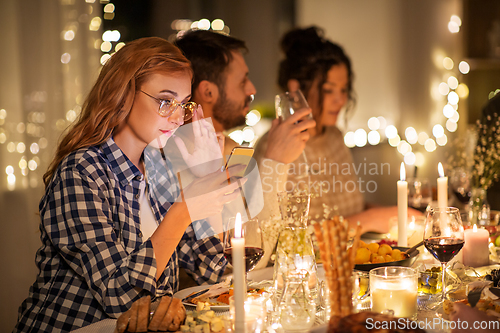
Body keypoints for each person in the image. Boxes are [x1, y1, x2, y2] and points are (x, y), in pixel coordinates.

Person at [14, 37, 243, 332]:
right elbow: (121, 296)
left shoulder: (161, 170)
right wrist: (183, 210)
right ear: (123, 95)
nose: (176, 117)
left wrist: (204, 179)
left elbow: (212, 269)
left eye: (183, 104)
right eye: (165, 101)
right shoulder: (82, 171)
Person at [254, 26, 420, 235]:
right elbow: (281, 238)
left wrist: (397, 215)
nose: (340, 100)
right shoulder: (274, 149)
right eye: (328, 90)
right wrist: (367, 220)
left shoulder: (334, 137)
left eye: (343, 90)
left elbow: (348, 210)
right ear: (296, 89)